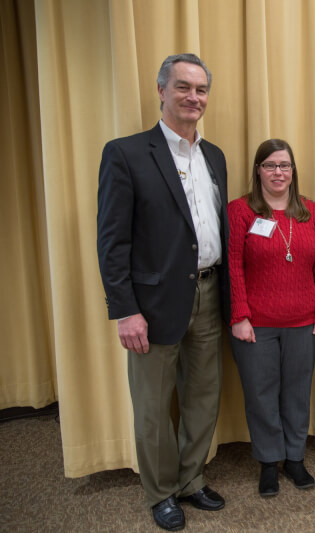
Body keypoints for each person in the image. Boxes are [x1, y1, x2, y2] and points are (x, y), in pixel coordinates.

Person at [97, 53, 228, 531]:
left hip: (211, 294)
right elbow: (112, 241)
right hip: (152, 305)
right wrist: (125, 309)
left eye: (201, 89)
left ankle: (191, 479)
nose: (194, 97)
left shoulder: (214, 156)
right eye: (183, 87)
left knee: (203, 397)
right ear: (161, 91)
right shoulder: (126, 153)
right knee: (153, 405)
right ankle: (161, 492)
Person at [227, 139, 315, 497]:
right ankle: (268, 461)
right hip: (255, 323)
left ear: (293, 171)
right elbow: (233, 267)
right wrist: (239, 315)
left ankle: (295, 458)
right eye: (270, 165)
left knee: (297, 393)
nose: (278, 172)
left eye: (284, 165)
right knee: (261, 395)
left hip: (303, 322)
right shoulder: (240, 211)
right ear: (258, 170)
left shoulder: (311, 211)